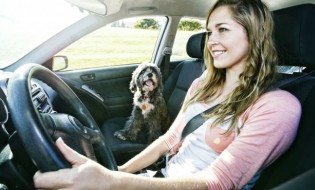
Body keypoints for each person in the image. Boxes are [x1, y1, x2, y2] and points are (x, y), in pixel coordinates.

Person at [33, 0, 301, 189]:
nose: (211, 41)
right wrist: (119, 172)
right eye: (209, 32)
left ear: (254, 36)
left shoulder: (277, 106)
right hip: (163, 177)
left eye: (223, 30)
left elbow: (219, 182)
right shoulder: (202, 84)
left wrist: (113, 183)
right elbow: (169, 139)